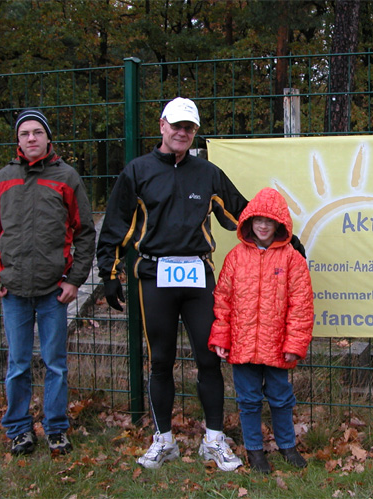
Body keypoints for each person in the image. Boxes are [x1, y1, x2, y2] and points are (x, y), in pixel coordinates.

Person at [97, 97, 248, 471]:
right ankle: (163, 440)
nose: (182, 132)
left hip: (198, 276)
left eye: (189, 128)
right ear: (162, 125)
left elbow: (242, 212)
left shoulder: (207, 173)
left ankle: (214, 439)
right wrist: (109, 272)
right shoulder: (137, 171)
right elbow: (116, 223)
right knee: (160, 360)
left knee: (209, 358)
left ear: (194, 132)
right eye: (177, 125)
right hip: (155, 276)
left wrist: (282, 236)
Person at [0, 109, 96, 456]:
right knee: (17, 364)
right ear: (18, 141)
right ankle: (18, 429)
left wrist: (75, 280)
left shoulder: (67, 177)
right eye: (24, 134)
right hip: (13, 289)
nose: (31, 138)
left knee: (55, 363)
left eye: (37, 132)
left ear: (47, 137)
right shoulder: (4, 179)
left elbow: (85, 233)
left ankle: (56, 428)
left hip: (52, 292)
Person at [208, 187, 314, 473]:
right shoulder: (234, 258)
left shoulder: (292, 259)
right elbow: (223, 300)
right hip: (242, 346)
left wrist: (295, 344)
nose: (263, 226)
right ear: (248, 223)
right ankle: (255, 451)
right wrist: (221, 336)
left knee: (281, 398)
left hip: (278, 346)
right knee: (249, 400)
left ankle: (287, 446)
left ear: (280, 224)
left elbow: (301, 305)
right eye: (258, 220)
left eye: (269, 221)